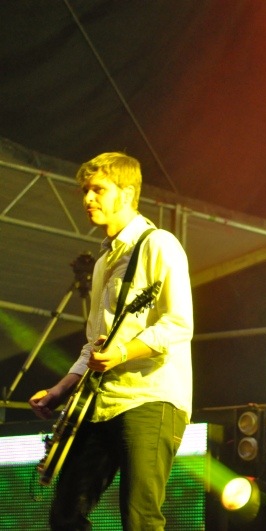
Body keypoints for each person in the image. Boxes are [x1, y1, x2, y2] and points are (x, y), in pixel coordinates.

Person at [28, 152, 194, 530]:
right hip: (101, 403)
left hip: (150, 398)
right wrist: (59, 390)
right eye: (85, 191)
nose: (88, 199)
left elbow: (178, 323)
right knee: (65, 515)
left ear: (128, 193)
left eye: (98, 190)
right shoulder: (104, 261)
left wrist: (122, 353)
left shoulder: (158, 244)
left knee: (140, 518)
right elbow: (93, 343)